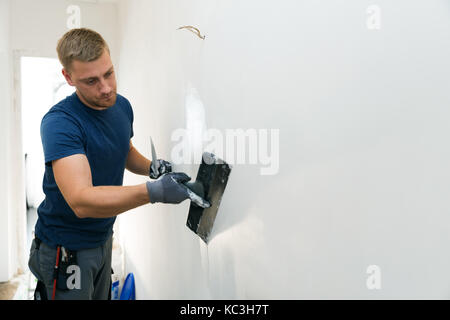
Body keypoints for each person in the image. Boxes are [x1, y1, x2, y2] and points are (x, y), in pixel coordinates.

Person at [28, 28, 193, 300]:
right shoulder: (60, 123)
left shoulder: (121, 107)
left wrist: (151, 166)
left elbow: (123, 150)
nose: (105, 88)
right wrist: (154, 192)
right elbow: (81, 201)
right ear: (68, 78)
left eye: (109, 73)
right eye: (91, 81)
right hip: (66, 247)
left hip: (103, 238)